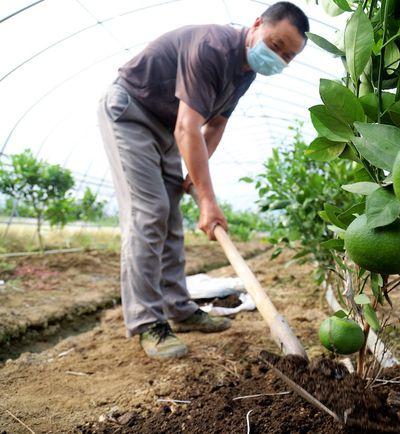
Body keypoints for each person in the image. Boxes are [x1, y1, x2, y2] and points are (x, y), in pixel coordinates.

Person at [97, 2, 309, 359]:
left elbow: (216, 124)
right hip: (131, 114)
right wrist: (209, 201)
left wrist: (194, 182)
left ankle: (179, 310)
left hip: (166, 130)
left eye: (287, 57)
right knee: (149, 213)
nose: (278, 58)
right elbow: (189, 127)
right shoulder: (213, 48)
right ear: (257, 24)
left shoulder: (246, 72)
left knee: (171, 219)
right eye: (275, 46)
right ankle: (148, 322)